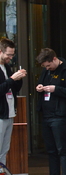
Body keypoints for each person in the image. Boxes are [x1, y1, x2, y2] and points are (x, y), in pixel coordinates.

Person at [0, 38, 27, 166]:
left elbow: (14, 89)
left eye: (12, 55)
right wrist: (12, 79)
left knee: (4, 150)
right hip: (1, 114)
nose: (10, 58)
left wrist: (19, 78)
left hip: (9, 113)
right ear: (0, 52)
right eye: (8, 55)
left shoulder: (6, 67)